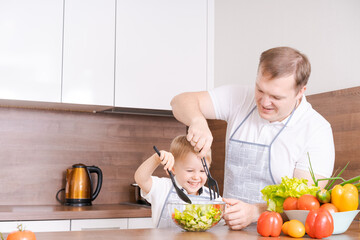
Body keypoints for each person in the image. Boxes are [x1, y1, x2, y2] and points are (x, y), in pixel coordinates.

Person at [170, 46, 335, 230]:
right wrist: (197, 120)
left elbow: (303, 204)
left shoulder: (317, 130)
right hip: (227, 230)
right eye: (260, 89)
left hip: (279, 233)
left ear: (300, 92)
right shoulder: (241, 98)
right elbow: (178, 102)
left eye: (276, 97)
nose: (264, 102)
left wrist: (255, 212)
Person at [134, 135, 220, 228]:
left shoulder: (212, 196)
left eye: (202, 171)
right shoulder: (163, 188)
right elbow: (141, 179)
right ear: (173, 168)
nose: (196, 177)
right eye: (189, 170)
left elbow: (223, 221)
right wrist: (156, 159)